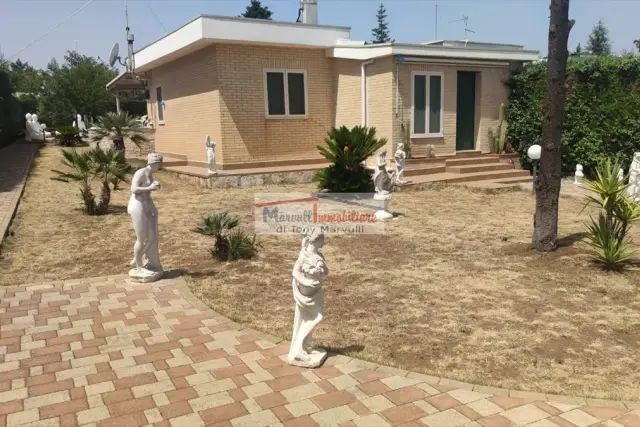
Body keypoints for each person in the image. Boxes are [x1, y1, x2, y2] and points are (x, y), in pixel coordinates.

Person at [128, 153, 163, 276]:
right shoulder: (140, 173)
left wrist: (154, 207)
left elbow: (148, 195)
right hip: (137, 205)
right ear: (154, 163)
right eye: (159, 164)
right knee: (141, 238)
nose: (160, 167)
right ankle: (139, 266)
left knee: (152, 237)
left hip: (146, 204)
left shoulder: (150, 174)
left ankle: (138, 257)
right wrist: (150, 188)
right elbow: (134, 189)